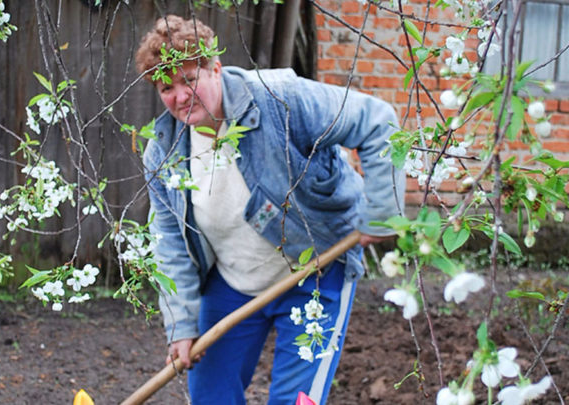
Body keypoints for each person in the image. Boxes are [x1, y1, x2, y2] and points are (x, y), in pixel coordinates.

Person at [136, 15, 405, 405]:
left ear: (215, 68)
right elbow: (170, 244)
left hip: (317, 269)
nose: (180, 96)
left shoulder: (280, 99)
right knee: (211, 397)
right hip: (232, 282)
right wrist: (180, 324)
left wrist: (382, 213)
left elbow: (378, 122)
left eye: (189, 79)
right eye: (166, 87)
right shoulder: (164, 152)